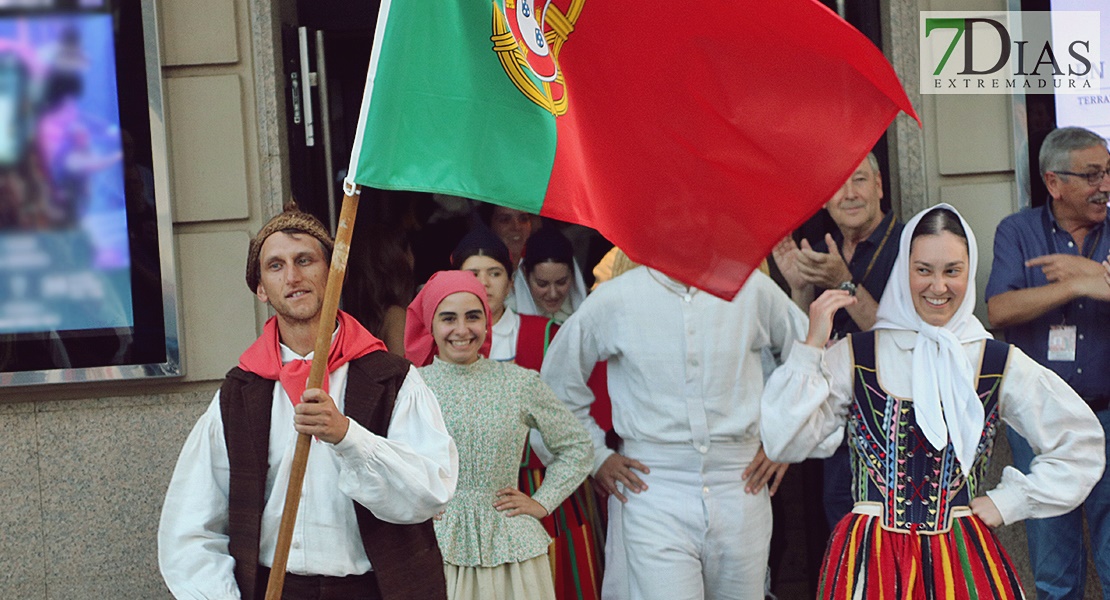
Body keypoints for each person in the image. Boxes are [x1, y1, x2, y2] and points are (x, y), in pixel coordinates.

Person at [761, 204, 1105, 599]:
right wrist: (810, 347)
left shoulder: (992, 360)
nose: (937, 286)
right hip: (872, 562)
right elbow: (782, 439)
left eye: (952, 271)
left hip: (961, 559)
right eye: (923, 270)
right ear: (903, 271)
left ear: (969, 270)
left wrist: (1007, 502)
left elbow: (1080, 443)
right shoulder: (858, 355)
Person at [158, 205, 458, 600]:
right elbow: (191, 526)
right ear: (261, 288)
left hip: (373, 591)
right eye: (276, 266)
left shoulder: (391, 377)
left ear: (333, 272)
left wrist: (349, 437)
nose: (293, 277)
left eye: (305, 260)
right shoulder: (239, 393)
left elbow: (430, 490)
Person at [541, 264, 808, 600]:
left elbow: (811, 356)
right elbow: (556, 388)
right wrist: (596, 456)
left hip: (740, 484)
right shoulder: (617, 297)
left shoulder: (751, 288)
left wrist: (784, 438)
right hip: (654, 485)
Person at [404, 270, 592, 600]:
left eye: (473, 317)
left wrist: (542, 502)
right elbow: (386, 460)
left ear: (487, 322)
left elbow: (577, 447)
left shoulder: (518, 383)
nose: (462, 330)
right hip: (436, 547)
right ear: (430, 324)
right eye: (448, 318)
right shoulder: (411, 387)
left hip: (511, 550)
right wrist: (412, 503)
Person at [984, 125, 1110, 599]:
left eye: (1108, 171)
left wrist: (1091, 272)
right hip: (1040, 426)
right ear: (1054, 183)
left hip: (1108, 415)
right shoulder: (1017, 232)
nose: (1106, 185)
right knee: (1054, 569)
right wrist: (1078, 284)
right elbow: (999, 310)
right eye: (1092, 174)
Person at [451, 227, 608, 600]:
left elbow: (591, 407)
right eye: (473, 274)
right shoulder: (443, 343)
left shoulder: (549, 333)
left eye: (494, 273)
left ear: (510, 279)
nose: (484, 284)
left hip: (545, 484)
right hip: (473, 495)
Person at [772, 152, 903, 529]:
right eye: (836, 184)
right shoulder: (819, 248)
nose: (848, 194)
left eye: (859, 180)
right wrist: (800, 290)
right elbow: (806, 343)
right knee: (844, 556)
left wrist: (844, 283)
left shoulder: (910, 245)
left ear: (879, 186)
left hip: (891, 430)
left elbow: (902, 341)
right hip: (834, 429)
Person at [513, 226, 588, 322]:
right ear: (525, 274)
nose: (553, 294)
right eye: (542, 284)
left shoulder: (588, 313)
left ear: (573, 274)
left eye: (561, 282)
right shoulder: (507, 315)